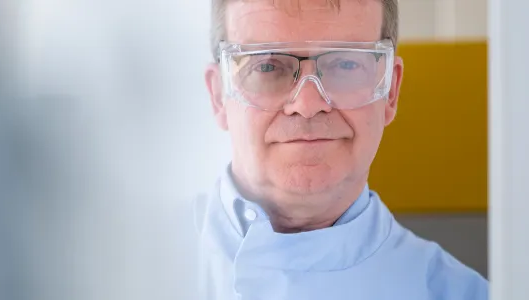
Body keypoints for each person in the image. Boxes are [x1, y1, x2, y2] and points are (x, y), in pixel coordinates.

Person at [194, 0, 488, 299]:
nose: (308, 106)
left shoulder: (462, 293)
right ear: (218, 95)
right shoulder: (151, 265)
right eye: (268, 66)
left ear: (391, 91)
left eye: (346, 64)